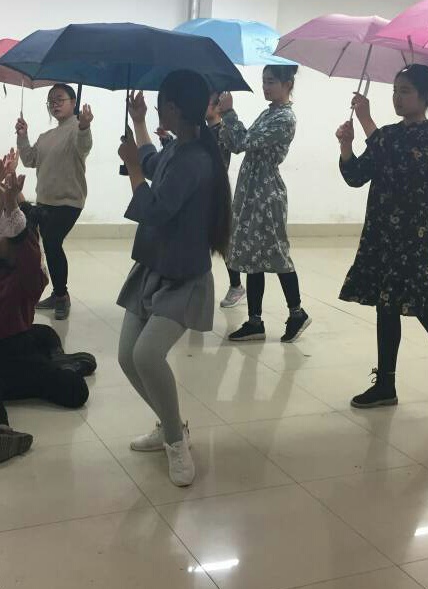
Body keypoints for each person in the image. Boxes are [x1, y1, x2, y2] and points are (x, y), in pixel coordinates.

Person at [116, 70, 231, 487]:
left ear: (176, 108)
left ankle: (175, 442)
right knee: (127, 357)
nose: (156, 109)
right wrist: (139, 124)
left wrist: (132, 167)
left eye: (159, 104)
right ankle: (171, 426)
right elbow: (151, 159)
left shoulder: (196, 159)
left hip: (182, 275)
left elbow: (156, 209)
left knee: (147, 356)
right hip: (152, 266)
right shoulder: (178, 147)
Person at [0, 153, 96, 463]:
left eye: (4, 232)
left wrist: (10, 200)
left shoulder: (27, 275)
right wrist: (3, 197)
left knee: (72, 382)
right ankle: (0, 430)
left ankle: (56, 361)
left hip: (16, 355)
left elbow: (25, 235)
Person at [336, 64, 428, 414]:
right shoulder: (388, 134)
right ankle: (386, 383)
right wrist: (346, 147)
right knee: (386, 305)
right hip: (380, 231)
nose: (397, 97)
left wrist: (367, 122)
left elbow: (408, 167)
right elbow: (357, 176)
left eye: (405, 91)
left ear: (427, 96)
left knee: (426, 306)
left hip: (413, 234)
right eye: (394, 90)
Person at [220, 65, 311, 344]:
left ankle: (297, 313)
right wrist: (224, 120)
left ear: (287, 84)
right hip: (251, 193)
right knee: (252, 258)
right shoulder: (269, 112)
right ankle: (254, 321)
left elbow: (242, 142)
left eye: (271, 82)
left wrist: (229, 113)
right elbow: (236, 142)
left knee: (278, 255)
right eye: (264, 82)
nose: (265, 87)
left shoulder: (284, 118)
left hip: (266, 196)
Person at [158, 92, 244, 306]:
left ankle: (236, 285)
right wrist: (168, 139)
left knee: (222, 242)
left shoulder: (222, 131)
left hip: (212, 191)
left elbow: (231, 147)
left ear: (217, 107)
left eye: (207, 102)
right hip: (202, 191)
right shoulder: (203, 130)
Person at [16, 84, 94, 320]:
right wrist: (23, 136)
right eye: (51, 101)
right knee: (45, 246)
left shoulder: (77, 130)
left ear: (73, 103)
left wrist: (85, 126)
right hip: (45, 201)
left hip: (69, 201)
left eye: (60, 99)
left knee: (52, 242)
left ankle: (61, 296)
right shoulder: (46, 137)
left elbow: (84, 145)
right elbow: (29, 160)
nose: (55, 104)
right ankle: (55, 293)